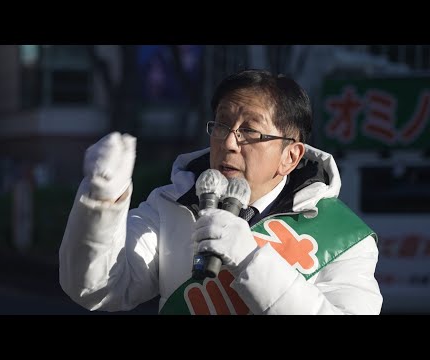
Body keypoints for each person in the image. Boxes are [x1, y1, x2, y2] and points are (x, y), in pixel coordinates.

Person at [59, 69, 383, 315]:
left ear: (291, 156)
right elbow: (96, 287)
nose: (229, 142)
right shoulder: (172, 204)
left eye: (249, 132)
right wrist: (102, 200)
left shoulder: (344, 237)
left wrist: (250, 260)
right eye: (222, 125)